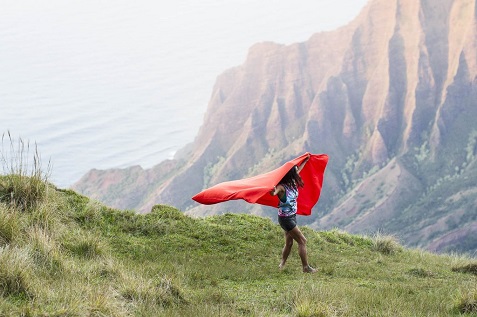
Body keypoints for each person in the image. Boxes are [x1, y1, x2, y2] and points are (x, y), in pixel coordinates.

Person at [269, 154, 317, 273]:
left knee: (289, 243)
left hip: (291, 217)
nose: (297, 172)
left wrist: (306, 160)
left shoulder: (292, 182)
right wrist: (272, 192)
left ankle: (281, 265)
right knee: (302, 241)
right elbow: (274, 193)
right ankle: (306, 267)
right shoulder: (282, 187)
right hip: (286, 219)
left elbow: (299, 169)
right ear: (291, 175)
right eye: (295, 171)